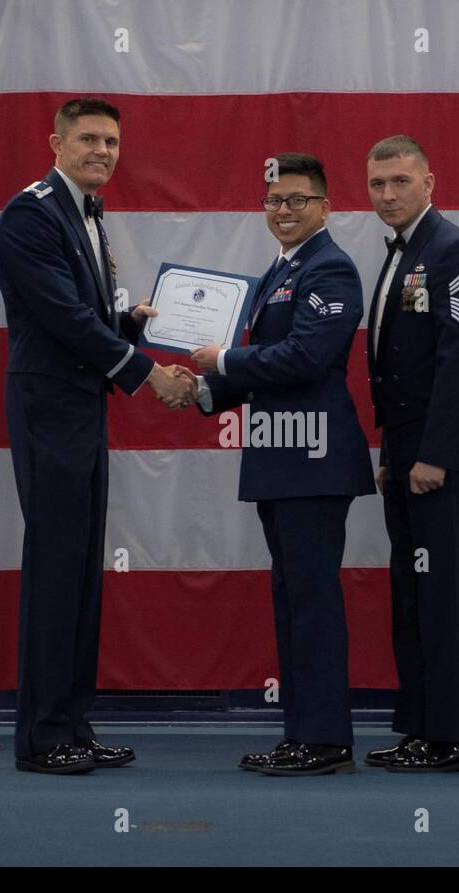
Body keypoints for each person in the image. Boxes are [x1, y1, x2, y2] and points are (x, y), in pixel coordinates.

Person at [0, 97, 197, 775]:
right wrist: (144, 372)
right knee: (56, 569)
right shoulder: (30, 214)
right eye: (88, 139)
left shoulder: (83, 209)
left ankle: (72, 722)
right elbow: (61, 318)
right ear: (55, 141)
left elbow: (90, 314)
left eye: (111, 141)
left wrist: (129, 323)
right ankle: (44, 736)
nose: (103, 151)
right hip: (50, 406)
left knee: (78, 570)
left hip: (78, 406)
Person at [191, 153, 375, 776]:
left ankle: (324, 739)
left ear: (326, 207)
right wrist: (202, 391)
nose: (284, 211)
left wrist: (220, 365)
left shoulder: (331, 268)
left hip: (313, 459)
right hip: (280, 456)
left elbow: (304, 358)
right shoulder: (280, 270)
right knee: (293, 600)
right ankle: (303, 733)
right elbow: (267, 363)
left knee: (312, 602)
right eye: (274, 201)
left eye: (298, 200)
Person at [362, 136, 459, 772]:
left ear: (429, 182)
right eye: (377, 184)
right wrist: (393, 448)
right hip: (408, 445)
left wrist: (434, 453)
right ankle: (420, 726)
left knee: (439, 588)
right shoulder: (403, 251)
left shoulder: (454, 250)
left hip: (445, 444)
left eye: (399, 182)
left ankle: (457, 736)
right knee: (411, 588)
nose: (387, 195)